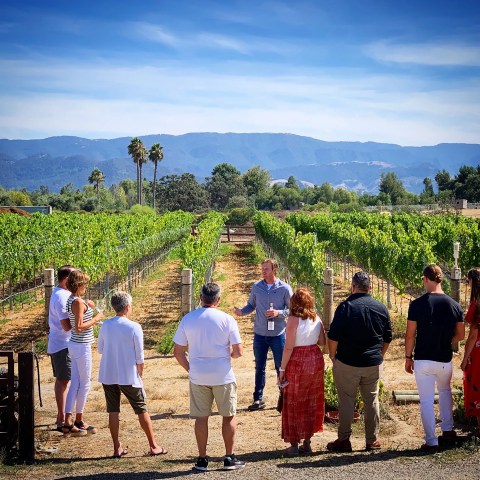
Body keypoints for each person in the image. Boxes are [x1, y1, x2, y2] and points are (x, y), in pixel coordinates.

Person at [174, 283, 245, 471]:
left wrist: (191, 368)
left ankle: (202, 459)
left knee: (201, 418)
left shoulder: (188, 319)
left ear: (200, 297)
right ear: (218, 299)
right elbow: (238, 351)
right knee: (228, 416)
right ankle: (229, 457)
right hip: (222, 374)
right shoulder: (228, 319)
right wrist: (227, 355)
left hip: (198, 375)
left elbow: (178, 351)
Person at [327, 271, 392, 452]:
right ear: (370, 287)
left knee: (347, 401)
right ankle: (372, 441)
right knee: (371, 400)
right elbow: (388, 337)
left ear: (353, 287)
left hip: (347, 362)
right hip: (372, 363)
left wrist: (333, 357)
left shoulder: (345, 307)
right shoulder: (380, 307)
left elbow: (333, 337)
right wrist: (380, 355)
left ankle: (344, 440)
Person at [97, 291, 167, 457]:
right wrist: (139, 375)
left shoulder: (105, 325)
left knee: (113, 410)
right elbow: (139, 357)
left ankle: (116, 447)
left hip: (108, 373)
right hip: (128, 374)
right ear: (128, 307)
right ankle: (153, 445)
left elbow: (100, 349)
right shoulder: (134, 327)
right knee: (141, 409)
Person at [405, 264, 465, 451]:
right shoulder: (454, 305)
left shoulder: (417, 305)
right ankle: (447, 430)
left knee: (426, 401)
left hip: (423, 358)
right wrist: (446, 340)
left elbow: (410, 335)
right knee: (445, 392)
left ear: (425, 279)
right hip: (444, 358)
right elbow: (461, 335)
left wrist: (408, 357)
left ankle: (431, 440)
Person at [234, 258, 293, 411]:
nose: (263, 271)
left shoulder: (285, 288)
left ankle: (284, 398)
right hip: (260, 334)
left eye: (266, 268)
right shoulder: (256, 287)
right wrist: (242, 311)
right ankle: (257, 399)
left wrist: (278, 313)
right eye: (263, 268)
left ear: (274, 270)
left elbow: (292, 310)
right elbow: (251, 305)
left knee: (280, 367)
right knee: (259, 367)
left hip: (278, 334)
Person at [278, 288, 326, 455]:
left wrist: (282, 369)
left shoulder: (293, 320)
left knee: (294, 400)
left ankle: (294, 444)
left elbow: (289, 347)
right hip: (315, 359)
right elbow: (321, 342)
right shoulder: (316, 318)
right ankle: (307, 441)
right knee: (311, 400)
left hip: (298, 361)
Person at [62, 269, 103, 436]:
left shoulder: (72, 299)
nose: (86, 286)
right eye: (85, 283)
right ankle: (77, 419)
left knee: (76, 383)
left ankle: (69, 421)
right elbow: (78, 328)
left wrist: (88, 306)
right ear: (79, 285)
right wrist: (96, 318)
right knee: (84, 383)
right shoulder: (77, 302)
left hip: (75, 345)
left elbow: (78, 315)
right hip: (81, 345)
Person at [47, 264, 76, 433]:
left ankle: (65, 417)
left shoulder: (62, 295)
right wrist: (83, 322)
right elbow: (66, 325)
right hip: (62, 344)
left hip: (63, 344)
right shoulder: (61, 297)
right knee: (64, 380)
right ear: (65, 279)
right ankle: (62, 418)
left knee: (65, 379)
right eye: (73, 277)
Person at [460, 267, 480, 436]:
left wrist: (465, 358)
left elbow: (473, 335)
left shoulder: (477, 305)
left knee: (477, 385)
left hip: (478, 353)